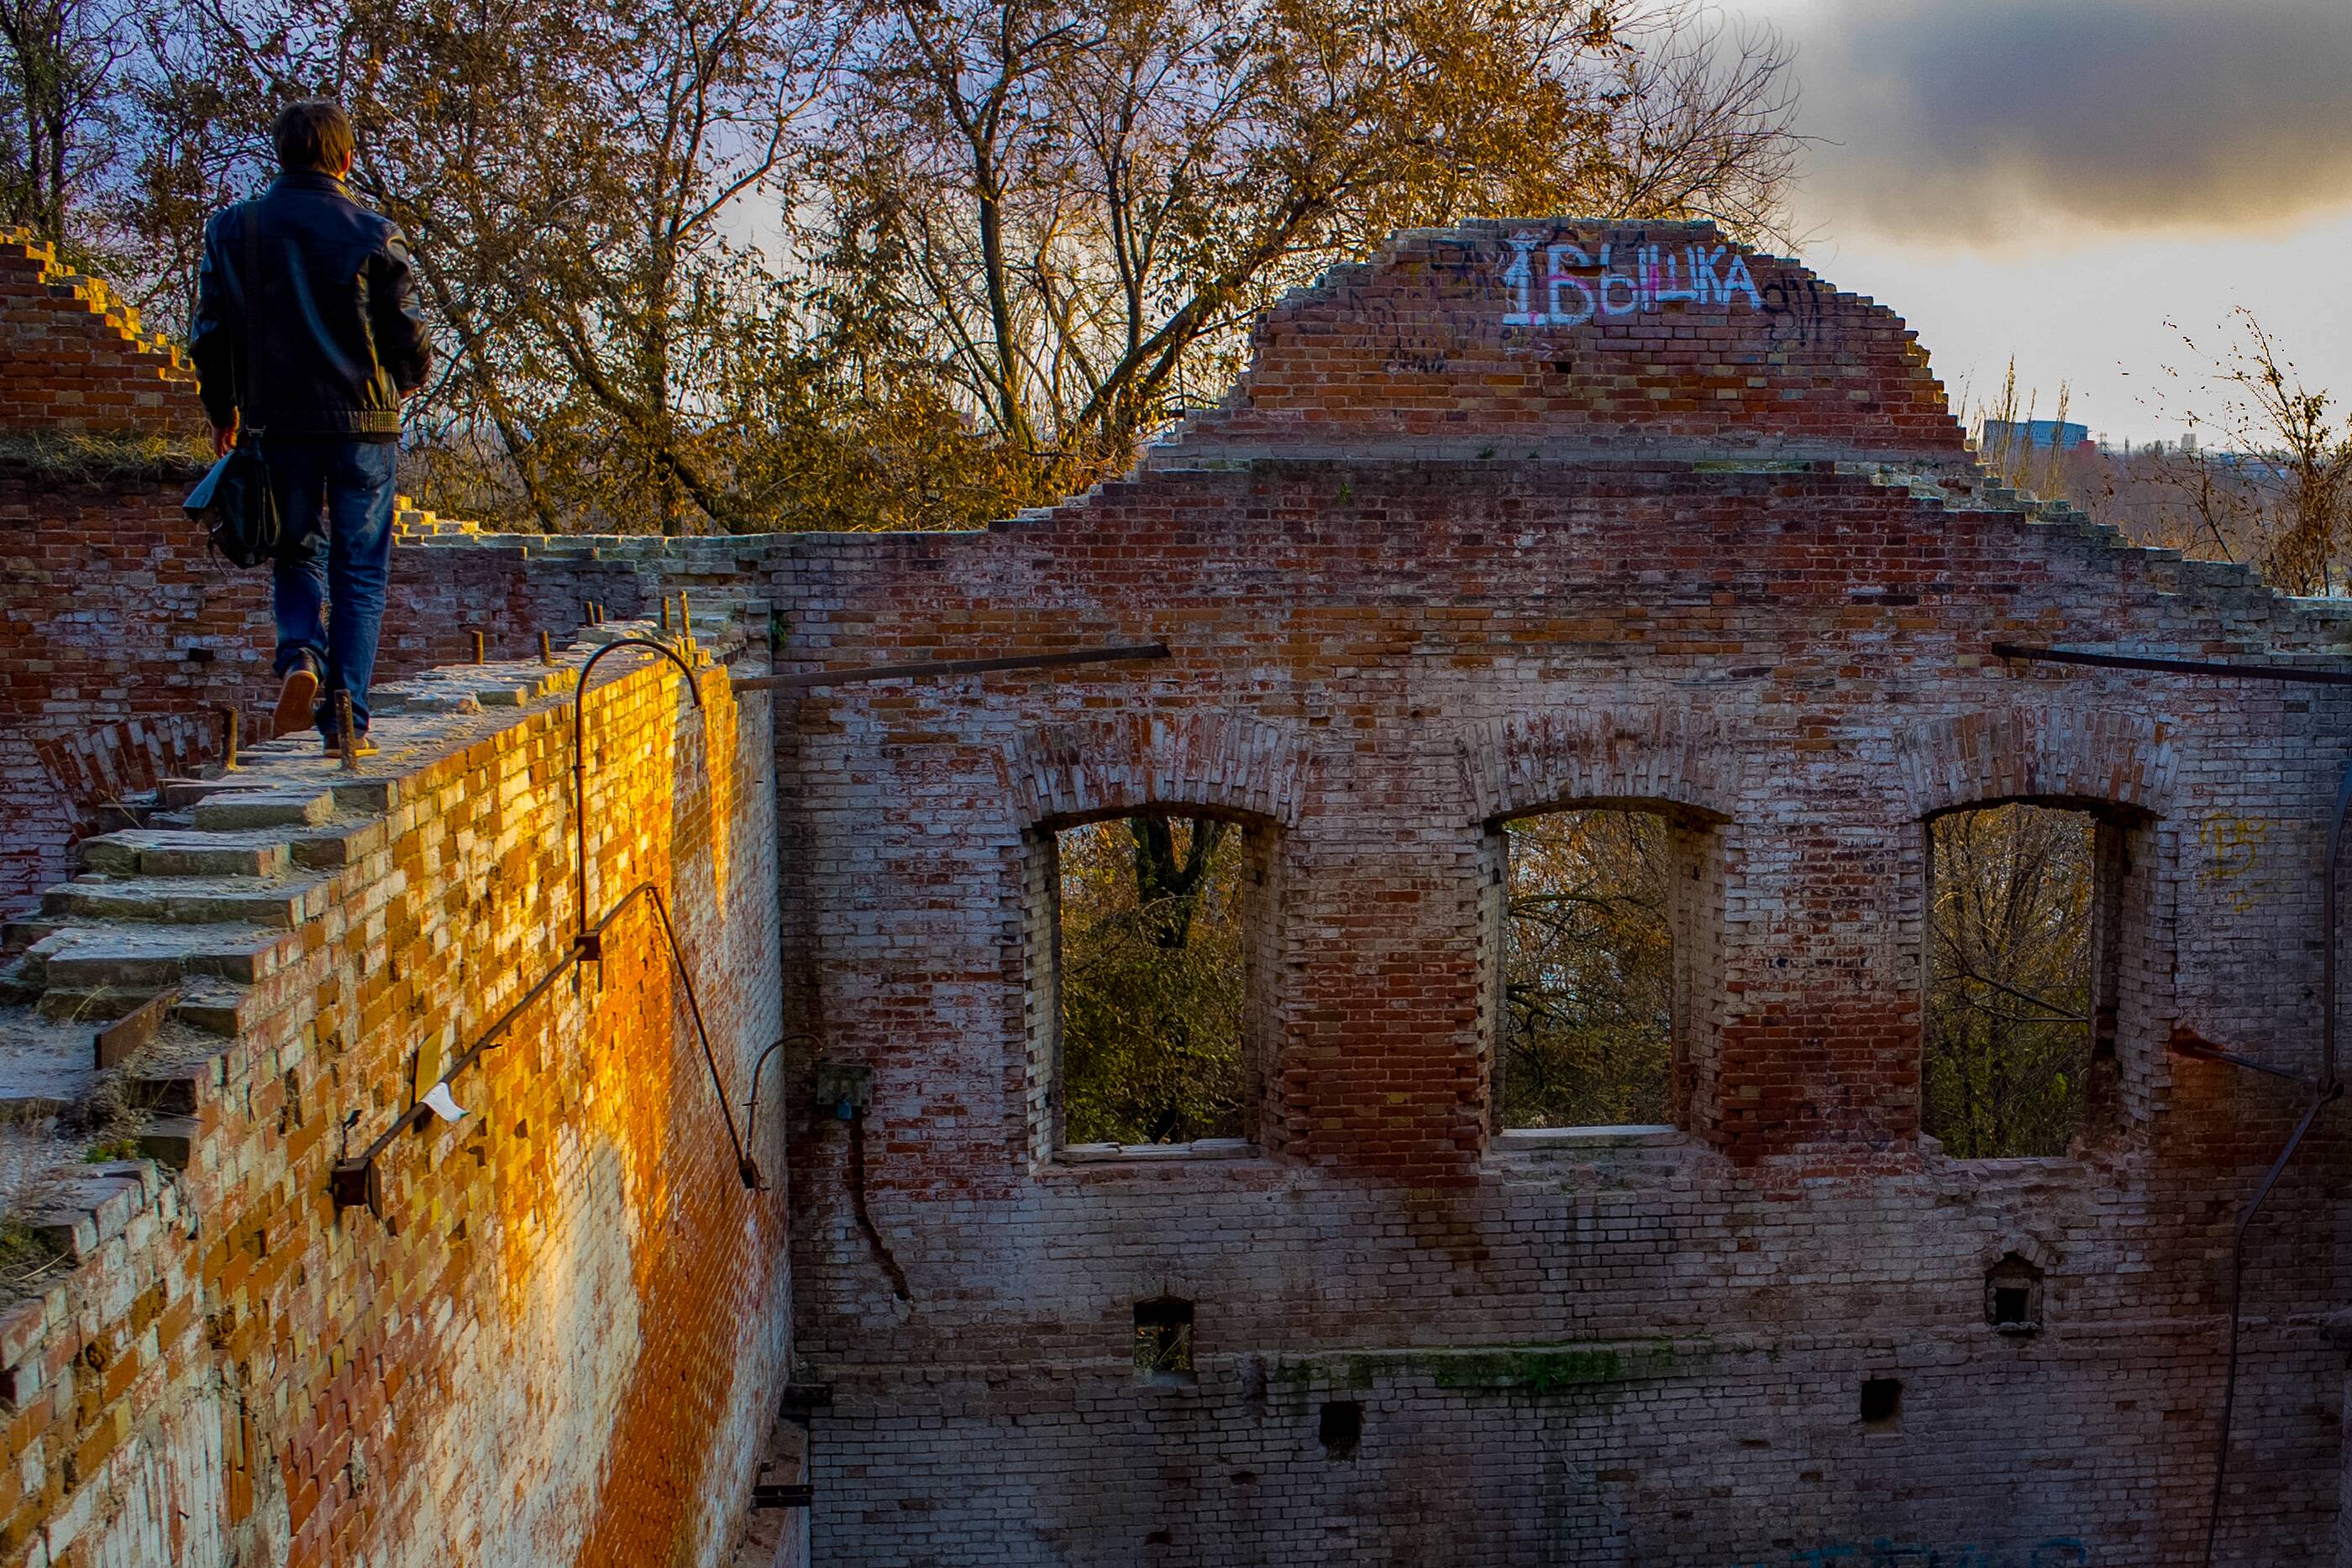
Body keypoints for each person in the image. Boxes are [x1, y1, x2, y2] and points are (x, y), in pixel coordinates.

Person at [192, 99, 432, 754]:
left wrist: (224, 412)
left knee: (295, 546)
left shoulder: (234, 230)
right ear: (346, 159)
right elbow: (408, 333)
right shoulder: (374, 233)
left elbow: (209, 334)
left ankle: (300, 655)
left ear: (281, 155)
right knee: (360, 567)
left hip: (277, 422)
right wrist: (407, 380)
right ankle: (346, 720)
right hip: (365, 424)